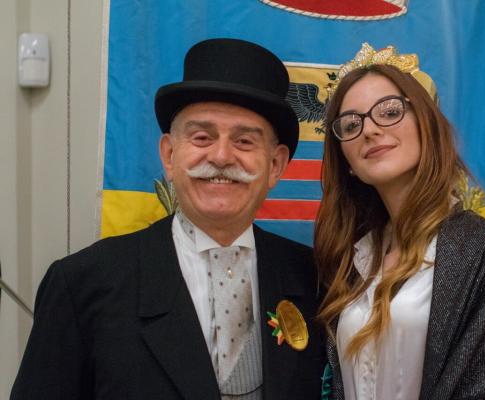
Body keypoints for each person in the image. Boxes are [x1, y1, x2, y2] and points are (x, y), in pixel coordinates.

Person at [11, 38, 324, 400]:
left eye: (244, 142)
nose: (222, 156)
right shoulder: (82, 284)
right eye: (202, 137)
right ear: (170, 155)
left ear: (275, 165)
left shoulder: (317, 281)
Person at [315, 44, 485, 399]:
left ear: (427, 125)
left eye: (390, 111)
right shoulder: (349, 259)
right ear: (346, 161)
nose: (369, 130)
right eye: (351, 124)